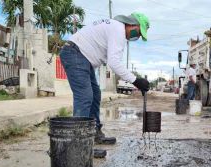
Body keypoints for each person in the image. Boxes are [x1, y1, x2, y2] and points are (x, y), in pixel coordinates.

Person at [60, 12, 150, 145]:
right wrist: (136, 81)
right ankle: (79, 144)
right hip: (75, 54)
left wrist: (135, 81)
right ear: (132, 24)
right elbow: (114, 62)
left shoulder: (115, 27)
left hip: (82, 58)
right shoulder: (118, 30)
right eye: (138, 32)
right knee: (84, 97)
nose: (136, 36)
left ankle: (94, 134)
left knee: (95, 95)